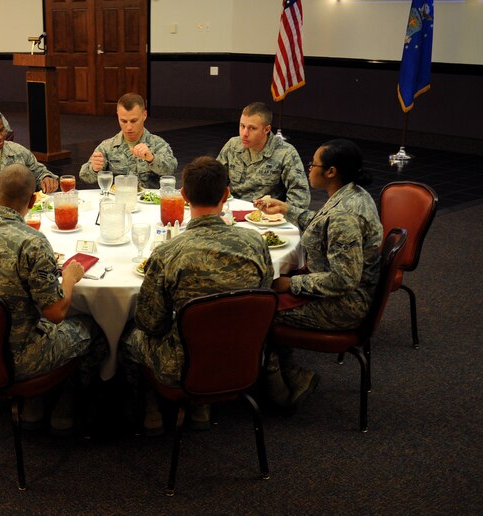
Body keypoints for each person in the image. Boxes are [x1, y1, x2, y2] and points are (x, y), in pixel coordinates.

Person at [120, 156, 273, 434]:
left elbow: (151, 322)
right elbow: (264, 295)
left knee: (127, 335)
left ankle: (151, 404)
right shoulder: (255, 243)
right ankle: (202, 407)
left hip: (180, 367)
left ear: (183, 195)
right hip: (243, 359)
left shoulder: (169, 253)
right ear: (226, 195)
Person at [0, 163, 106, 433]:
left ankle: (34, 402)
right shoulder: (32, 243)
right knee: (94, 327)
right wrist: (68, 278)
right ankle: (65, 401)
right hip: (19, 358)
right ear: (33, 200)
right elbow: (56, 313)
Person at [255, 139, 383, 411]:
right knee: (265, 296)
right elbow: (324, 226)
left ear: (331, 172)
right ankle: (292, 375)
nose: (309, 168)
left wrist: (292, 283)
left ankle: (278, 389)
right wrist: (288, 210)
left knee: (258, 309)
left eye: (313, 164)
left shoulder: (344, 216)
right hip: (343, 290)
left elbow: (344, 279)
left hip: (346, 304)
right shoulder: (353, 194)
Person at [217, 101, 310, 209]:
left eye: (252, 128)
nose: (244, 133)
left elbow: (300, 198)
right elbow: (214, 180)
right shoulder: (232, 146)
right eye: (242, 126)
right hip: (232, 211)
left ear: (266, 129)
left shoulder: (286, 153)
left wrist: (280, 215)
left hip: (266, 217)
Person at [78, 93, 177, 189]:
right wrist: (94, 169)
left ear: (144, 115)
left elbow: (171, 170)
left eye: (134, 121)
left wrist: (151, 158)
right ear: (118, 116)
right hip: (118, 201)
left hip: (147, 202)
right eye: (124, 121)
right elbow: (85, 177)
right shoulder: (107, 147)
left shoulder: (158, 144)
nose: (128, 127)